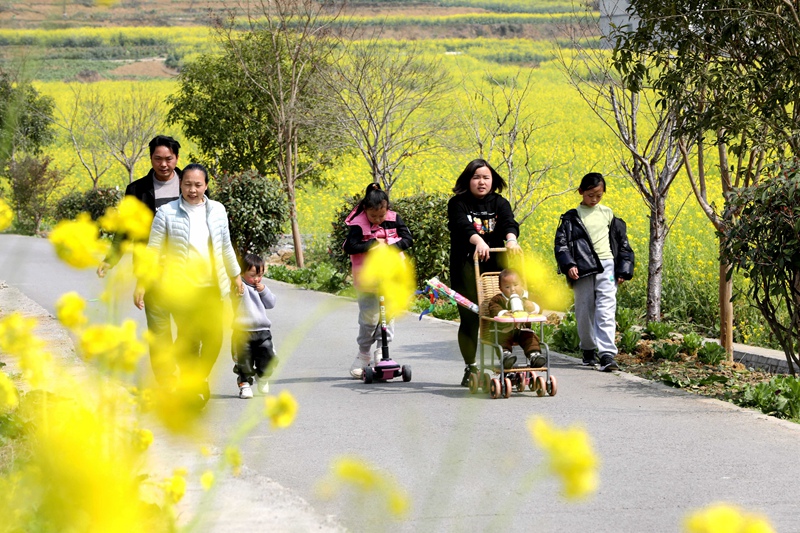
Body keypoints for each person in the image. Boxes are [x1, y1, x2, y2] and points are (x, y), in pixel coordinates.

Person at [137, 163, 243, 405]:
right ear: (180, 185)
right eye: (187, 184)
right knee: (189, 339)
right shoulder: (166, 212)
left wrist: (235, 275)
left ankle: (199, 377)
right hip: (182, 288)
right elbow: (153, 250)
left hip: (212, 288)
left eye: (197, 185)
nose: (192, 190)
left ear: (206, 186)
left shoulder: (217, 210)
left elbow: (226, 246)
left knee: (215, 337)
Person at [96, 135, 182, 386]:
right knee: (159, 330)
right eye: (158, 158)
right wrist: (111, 259)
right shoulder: (136, 190)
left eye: (168, 159)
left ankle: (189, 374)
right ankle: (167, 382)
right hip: (150, 269)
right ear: (151, 158)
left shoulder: (191, 183)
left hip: (187, 268)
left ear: (177, 158)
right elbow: (125, 229)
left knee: (190, 329)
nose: (163, 164)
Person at [448, 158, 521, 386]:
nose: (482, 182)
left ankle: (504, 362)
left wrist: (511, 239)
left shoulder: (500, 203)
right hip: (466, 269)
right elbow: (461, 225)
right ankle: (471, 367)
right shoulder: (457, 203)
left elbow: (509, 222)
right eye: (476, 177)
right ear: (468, 180)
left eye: (486, 178)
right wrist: (478, 241)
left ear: (492, 180)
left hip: (495, 271)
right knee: (470, 320)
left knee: (499, 315)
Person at [554, 172, 635, 372]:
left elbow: (622, 243)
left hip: (607, 266)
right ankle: (588, 349)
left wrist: (623, 269)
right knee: (584, 310)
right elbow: (561, 245)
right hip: (582, 269)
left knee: (606, 309)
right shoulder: (570, 218)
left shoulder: (608, 213)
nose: (594, 199)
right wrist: (569, 265)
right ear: (581, 192)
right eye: (590, 195)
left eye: (599, 195)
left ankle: (607, 354)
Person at [343, 183, 413, 379]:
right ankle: (363, 355)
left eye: (381, 216)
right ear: (365, 210)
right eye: (373, 216)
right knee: (369, 320)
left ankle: (382, 352)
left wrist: (390, 247)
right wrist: (372, 244)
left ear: (387, 208)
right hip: (368, 281)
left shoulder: (394, 219)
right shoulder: (358, 224)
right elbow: (350, 246)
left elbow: (408, 239)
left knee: (388, 317)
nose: (378, 220)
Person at [231, 253, 277, 399]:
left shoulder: (261, 288)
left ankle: (262, 377)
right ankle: (244, 385)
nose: (257, 279)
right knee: (243, 360)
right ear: (242, 273)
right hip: (242, 331)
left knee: (267, 356)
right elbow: (231, 301)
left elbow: (271, 303)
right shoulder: (240, 287)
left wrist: (263, 290)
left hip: (263, 330)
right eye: (252, 275)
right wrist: (236, 290)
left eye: (260, 275)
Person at [487, 268, 545, 368]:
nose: (512, 289)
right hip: (504, 331)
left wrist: (533, 307)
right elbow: (493, 308)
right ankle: (505, 356)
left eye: (516, 285)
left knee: (530, 338)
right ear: (501, 289)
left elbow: (540, 307)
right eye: (507, 287)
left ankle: (534, 355)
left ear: (521, 284)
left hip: (522, 330)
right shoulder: (498, 299)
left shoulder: (527, 297)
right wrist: (503, 313)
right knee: (501, 339)